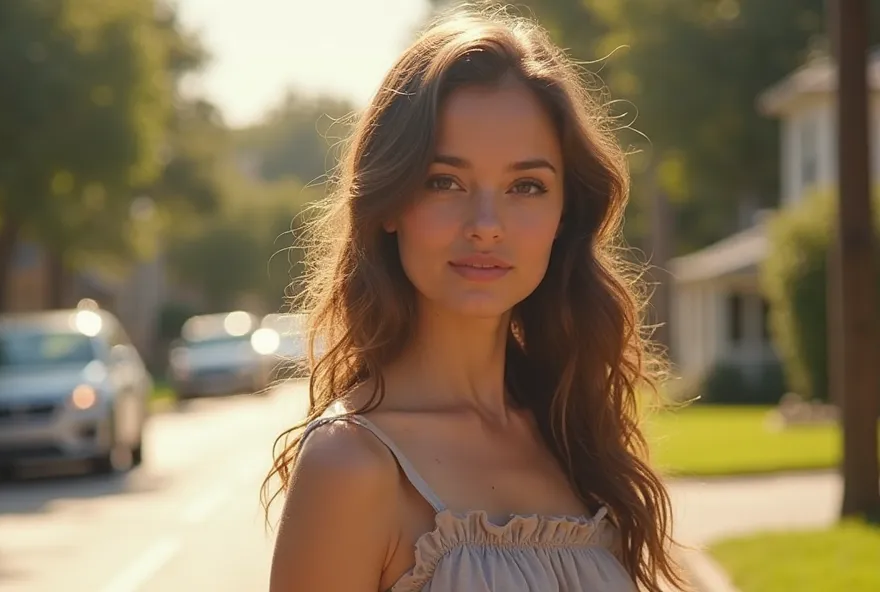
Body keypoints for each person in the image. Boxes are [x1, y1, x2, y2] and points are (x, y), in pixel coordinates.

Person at [262, 4, 687, 591]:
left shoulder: (573, 433)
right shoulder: (351, 465)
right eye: (445, 181)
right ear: (389, 205)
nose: (487, 223)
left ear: (564, 214)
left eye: (525, 186)